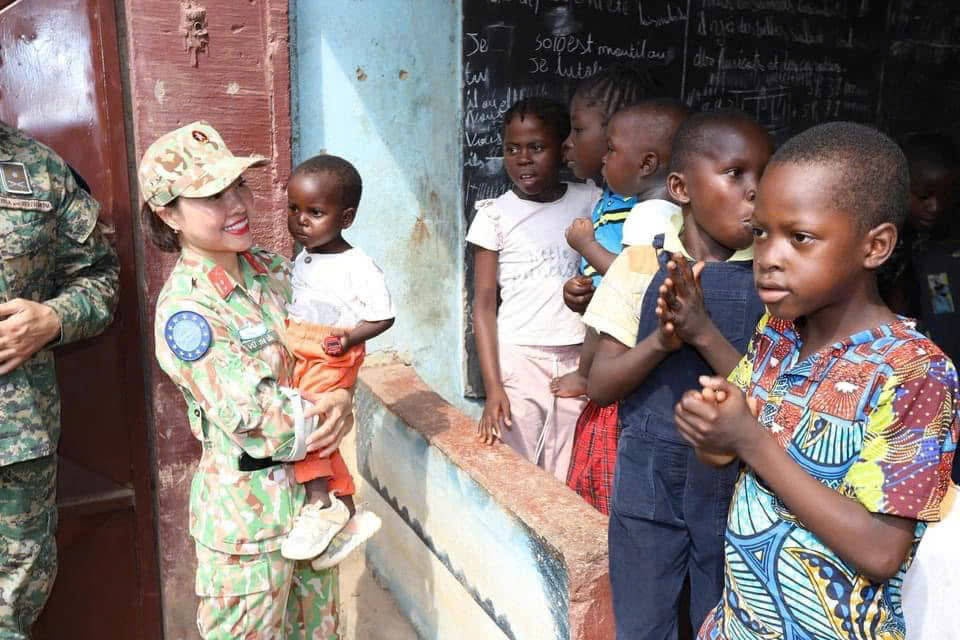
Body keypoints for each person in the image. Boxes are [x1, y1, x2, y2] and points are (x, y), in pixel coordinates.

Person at [674, 122, 959, 640]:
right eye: (761, 233)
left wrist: (749, 440)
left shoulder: (913, 371)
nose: (769, 257)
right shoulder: (777, 333)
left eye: (799, 238)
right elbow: (732, 450)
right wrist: (714, 434)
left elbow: (881, 550)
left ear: (875, 246)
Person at [142, 122, 354, 639]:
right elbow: (260, 421)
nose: (236, 204)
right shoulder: (187, 311)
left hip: (312, 512)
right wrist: (329, 408)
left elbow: (330, 342)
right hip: (247, 531)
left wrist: (342, 393)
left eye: (237, 186)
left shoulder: (272, 270)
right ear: (168, 213)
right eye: (213, 195)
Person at [584, 110, 770, 638]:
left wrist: (702, 332)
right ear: (681, 188)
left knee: (724, 618)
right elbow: (600, 384)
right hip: (648, 480)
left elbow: (773, 398)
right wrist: (662, 342)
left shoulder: (774, 278)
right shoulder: (639, 265)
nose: (755, 191)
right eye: (735, 173)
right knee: (644, 621)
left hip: (739, 485)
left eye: (764, 175)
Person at [0, 122, 120, 638]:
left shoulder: (39, 169)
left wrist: (53, 319)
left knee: (10, 614)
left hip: (15, 445)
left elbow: (99, 277)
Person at [561, 99, 689, 514]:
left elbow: (630, 280)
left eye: (612, 149)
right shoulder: (663, 212)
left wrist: (586, 246)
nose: (604, 157)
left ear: (647, 164)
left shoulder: (649, 215)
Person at [468, 97, 599, 480]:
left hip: (580, 357)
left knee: (568, 471)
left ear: (563, 148)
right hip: (518, 357)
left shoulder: (590, 202)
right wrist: (493, 387)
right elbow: (483, 305)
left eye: (537, 147)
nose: (523, 159)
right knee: (516, 473)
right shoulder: (494, 215)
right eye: (513, 149)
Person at [279, 153, 389, 567]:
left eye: (315, 212)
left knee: (309, 422)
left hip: (331, 352)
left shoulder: (357, 265)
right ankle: (349, 514)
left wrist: (349, 338)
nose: (301, 221)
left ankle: (320, 503)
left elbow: (383, 314)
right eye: (294, 209)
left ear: (346, 218)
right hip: (304, 349)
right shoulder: (304, 257)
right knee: (313, 423)